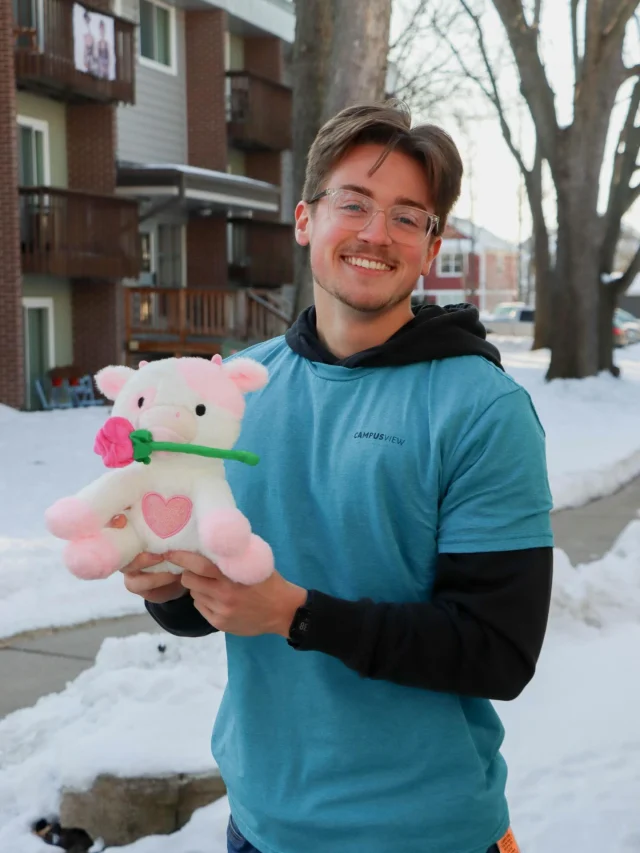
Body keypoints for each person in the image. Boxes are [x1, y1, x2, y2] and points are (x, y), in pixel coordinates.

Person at [115, 102, 554, 853]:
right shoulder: (231, 393)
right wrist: (166, 588)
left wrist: (298, 614)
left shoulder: (483, 409)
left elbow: (497, 651)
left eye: (407, 216)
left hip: (426, 835)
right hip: (261, 825)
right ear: (305, 219)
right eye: (354, 203)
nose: (376, 233)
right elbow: (214, 606)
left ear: (431, 245)